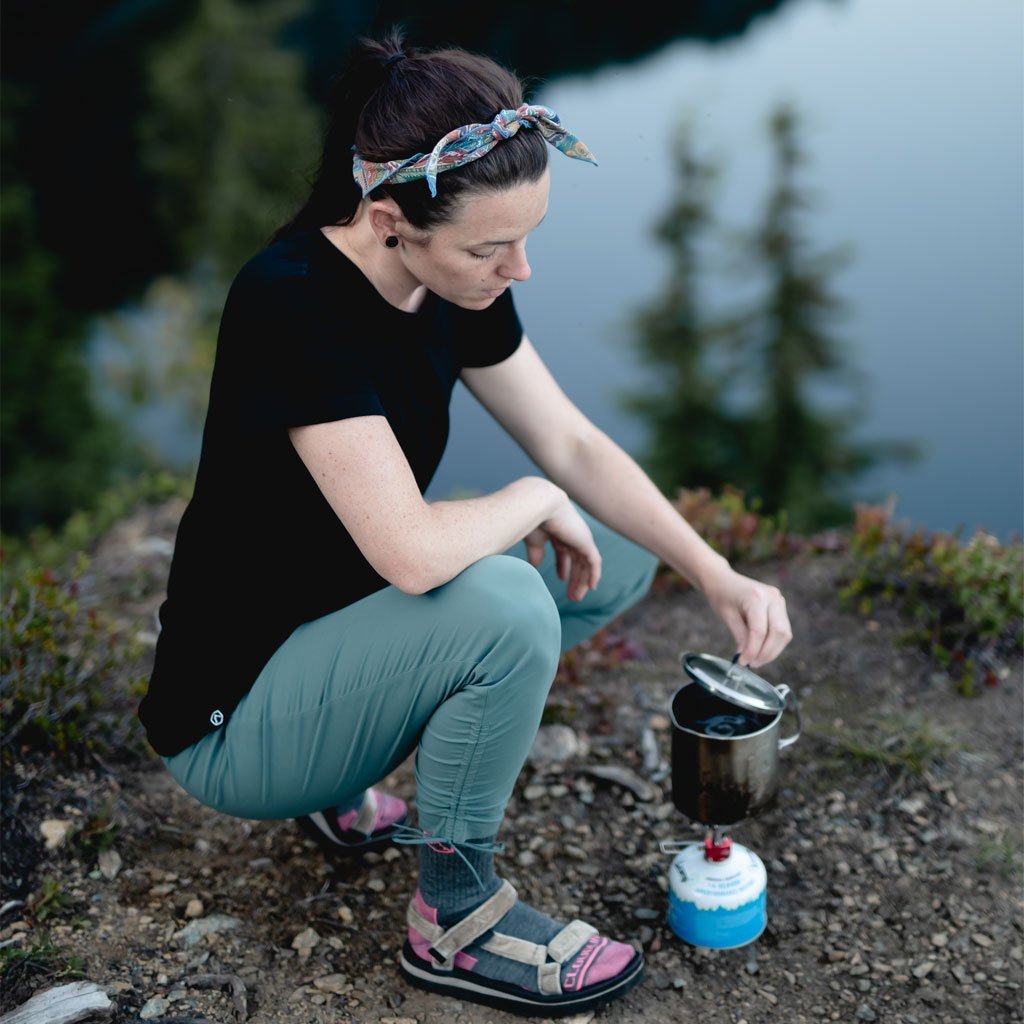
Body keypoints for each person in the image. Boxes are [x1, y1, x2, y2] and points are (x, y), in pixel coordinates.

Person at [138, 28, 793, 1018]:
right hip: (231, 722)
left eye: (524, 237)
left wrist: (716, 572)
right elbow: (411, 550)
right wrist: (528, 501)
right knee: (503, 603)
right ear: (389, 216)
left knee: (616, 555)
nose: (519, 269)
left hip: (330, 630)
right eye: (493, 247)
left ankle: (354, 765)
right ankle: (453, 914)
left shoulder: (449, 277)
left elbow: (569, 445)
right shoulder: (294, 305)